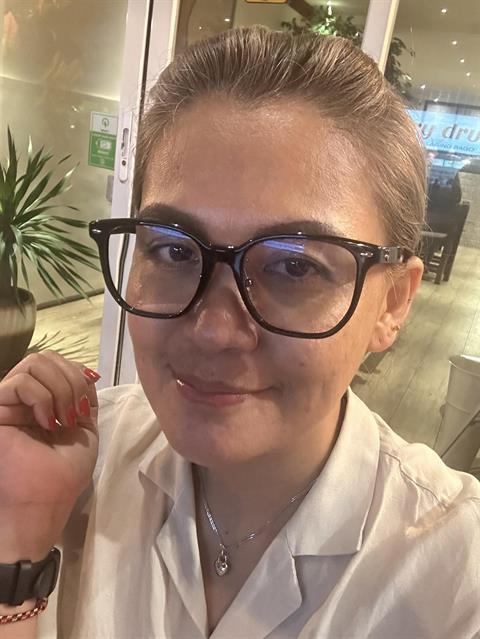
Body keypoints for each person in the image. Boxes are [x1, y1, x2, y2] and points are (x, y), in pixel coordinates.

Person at [0, 26, 479, 639]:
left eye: (295, 266)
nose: (214, 330)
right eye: (174, 251)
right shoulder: (69, 466)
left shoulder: (454, 577)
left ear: (393, 302)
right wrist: (17, 541)